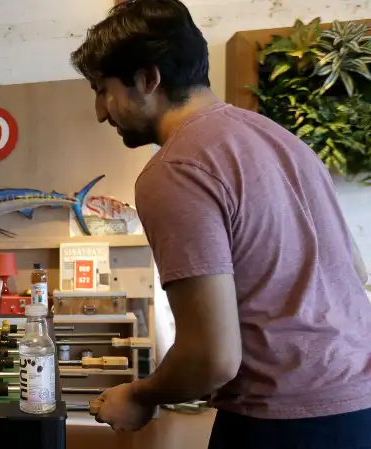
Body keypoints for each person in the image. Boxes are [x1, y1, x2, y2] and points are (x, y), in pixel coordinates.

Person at [69, 1, 371, 448]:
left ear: (149, 79)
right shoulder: (283, 142)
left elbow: (211, 357)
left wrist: (140, 393)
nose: (100, 111)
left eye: (103, 89)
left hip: (284, 423)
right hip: (357, 405)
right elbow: (356, 271)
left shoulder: (176, 168)